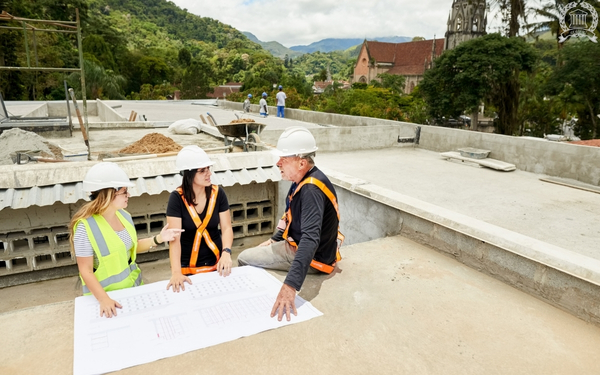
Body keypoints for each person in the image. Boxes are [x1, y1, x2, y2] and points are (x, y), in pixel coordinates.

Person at [237, 127, 343, 321]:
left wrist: (290, 286)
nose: (278, 163)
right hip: (316, 248)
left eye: (284, 159)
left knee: (244, 258)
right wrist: (274, 239)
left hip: (314, 258)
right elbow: (289, 215)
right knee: (261, 252)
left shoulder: (311, 190)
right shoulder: (305, 178)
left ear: (301, 162)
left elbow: (310, 239)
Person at [69, 162, 183, 318]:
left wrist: (158, 239)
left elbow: (129, 248)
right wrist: (104, 299)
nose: (128, 195)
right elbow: (86, 270)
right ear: (109, 194)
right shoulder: (85, 227)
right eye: (124, 192)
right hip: (107, 301)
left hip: (132, 291)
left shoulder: (124, 215)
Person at [166, 145, 234, 292]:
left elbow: (227, 227)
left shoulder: (218, 193)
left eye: (208, 168)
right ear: (189, 174)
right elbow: (174, 239)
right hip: (187, 267)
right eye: (202, 171)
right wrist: (176, 272)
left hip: (217, 263)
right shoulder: (177, 198)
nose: (208, 173)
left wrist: (226, 252)